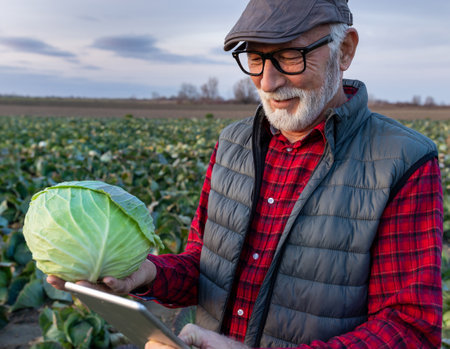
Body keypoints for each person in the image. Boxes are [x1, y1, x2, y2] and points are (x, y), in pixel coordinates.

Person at [49, 0, 444, 347]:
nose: (268, 82)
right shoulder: (233, 144)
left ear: (345, 50)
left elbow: (408, 330)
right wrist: (145, 273)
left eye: (290, 55)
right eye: (255, 58)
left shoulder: (402, 161)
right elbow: (204, 270)